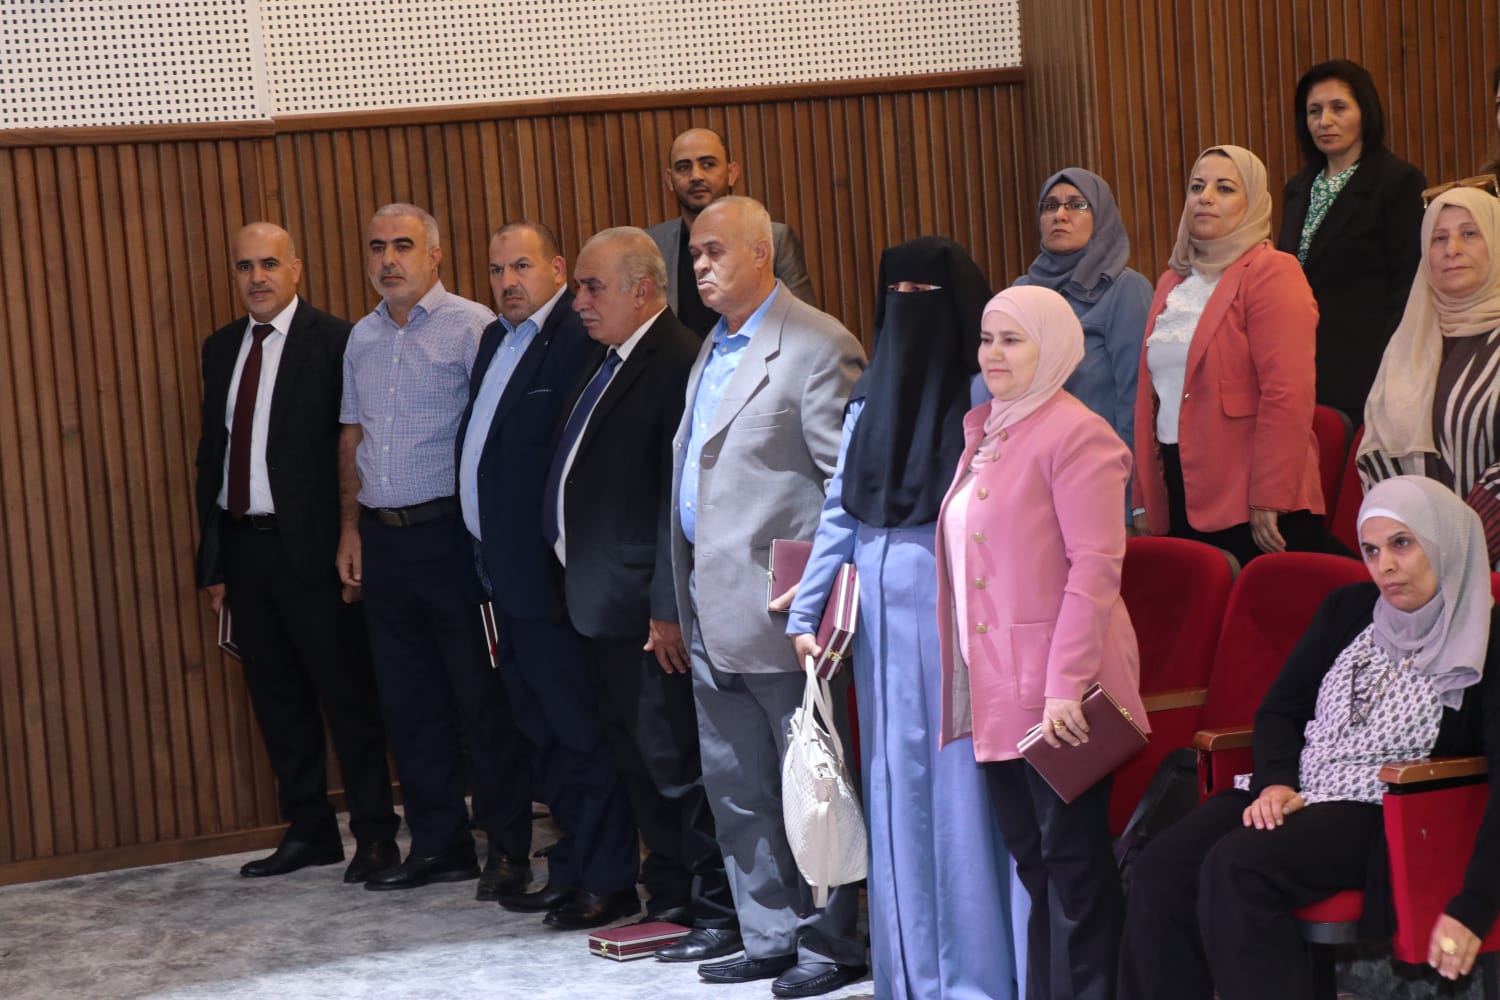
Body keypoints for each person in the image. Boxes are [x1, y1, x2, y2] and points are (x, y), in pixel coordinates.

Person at [1118, 475, 1500, 999]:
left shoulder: (1487, 638)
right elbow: (1282, 709)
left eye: (1402, 544)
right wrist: (1275, 782)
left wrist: (1475, 904)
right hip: (1301, 788)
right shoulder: (1348, 608)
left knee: (1238, 867)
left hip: (1385, 809)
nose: (1384, 566)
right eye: (1371, 550)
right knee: (1161, 866)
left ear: (1445, 543)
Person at [780, 237, 1016, 999]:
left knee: (959, 795)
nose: (909, 307)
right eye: (897, 293)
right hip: (881, 620)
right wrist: (808, 608)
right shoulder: (868, 397)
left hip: (959, 612)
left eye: (925, 293)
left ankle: (976, 977)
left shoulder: (984, 394)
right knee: (896, 789)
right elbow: (841, 508)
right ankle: (909, 975)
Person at [669, 196, 867, 997]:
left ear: (761, 253)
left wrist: (813, 601)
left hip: (785, 616)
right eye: (694, 253)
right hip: (707, 604)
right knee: (736, 788)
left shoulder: (817, 343)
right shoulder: (712, 346)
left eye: (715, 251)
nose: (701, 265)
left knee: (811, 783)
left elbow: (844, 489)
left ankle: (830, 942)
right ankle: (770, 933)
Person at [937, 284, 1144, 1000]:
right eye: (987, 338)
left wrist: (1067, 686)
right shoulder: (988, 429)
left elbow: (1096, 569)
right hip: (998, 685)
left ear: (1052, 348)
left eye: (1012, 340)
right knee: (1035, 863)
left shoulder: (1078, 434)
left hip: (1060, 691)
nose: (993, 354)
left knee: (1074, 868)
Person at [547, 226, 738, 952]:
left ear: (644, 289)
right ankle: (670, 895)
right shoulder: (606, 358)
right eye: (579, 287)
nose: (578, 300)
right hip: (600, 602)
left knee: (675, 765)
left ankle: (709, 906)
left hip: (646, 611)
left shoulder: (677, 360)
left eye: (593, 286)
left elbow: (675, 500)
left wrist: (666, 606)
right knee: (637, 760)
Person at [337, 203, 534, 896]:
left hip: (452, 539)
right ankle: (440, 845)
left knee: (481, 702)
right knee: (408, 703)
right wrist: (350, 528)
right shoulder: (360, 337)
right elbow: (352, 436)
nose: (388, 260)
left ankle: (508, 849)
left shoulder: (474, 327)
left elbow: (498, 436)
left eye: (403, 246)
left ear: (435, 255)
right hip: (382, 540)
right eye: (377, 247)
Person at [193, 222, 399, 882]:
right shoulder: (220, 348)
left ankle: (375, 835)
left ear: (296, 269)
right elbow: (212, 456)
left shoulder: (337, 341)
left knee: (348, 697)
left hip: (315, 553)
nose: (257, 277)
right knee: (277, 698)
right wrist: (214, 562)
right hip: (245, 551)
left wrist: (352, 537)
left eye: (269, 264)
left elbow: (353, 446)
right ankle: (310, 831)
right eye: (244, 266)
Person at [458, 221, 641, 930]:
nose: (507, 281)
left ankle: (608, 880)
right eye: (497, 269)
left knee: (578, 735)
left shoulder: (574, 338)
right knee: (542, 735)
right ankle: (570, 868)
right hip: (498, 579)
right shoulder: (494, 340)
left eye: (522, 267)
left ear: (558, 269)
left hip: (550, 584)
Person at [1132, 145, 1325, 568]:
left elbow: (1287, 393)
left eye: (1224, 188)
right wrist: (1144, 495)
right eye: (1197, 187)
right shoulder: (1171, 282)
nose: (1205, 197)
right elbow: (1149, 396)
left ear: (1251, 202)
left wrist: (1269, 494)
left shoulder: (1272, 272)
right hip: (1179, 482)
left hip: (1249, 491)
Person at [1275, 59, 1426, 420]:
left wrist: (1391, 368)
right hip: (1299, 365)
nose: (1324, 121)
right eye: (1314, 111)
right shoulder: (1298, 188)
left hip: (1367, 370)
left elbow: (1408, 286)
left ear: (1365, 112)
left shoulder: (1398, 181)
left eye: (1338, 108)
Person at [1359, 186, 1500, 566]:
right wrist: (1403, 543)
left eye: (1469, 233)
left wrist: (1452, 551)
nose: (1452, 249)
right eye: (1439, 238)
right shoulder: (1411, 339)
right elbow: (1379, 452)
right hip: (1413, 566)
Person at [1015, 168, 1152, 460]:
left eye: (1077, 205)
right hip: (1031, 460)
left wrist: (1126, 472)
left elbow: (1135, 395)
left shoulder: (1125, 288)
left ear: (1101, 215)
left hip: (1096, 460)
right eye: (1050, 206)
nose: (1060, 215)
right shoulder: (1022, 290)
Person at [645, 127, 816, 335]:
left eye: (708, 164)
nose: (696, 176)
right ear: (669, 180)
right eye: (683, 167)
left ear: (732, 173)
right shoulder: (651, 244)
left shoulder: (775, 238)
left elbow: (803, 324)